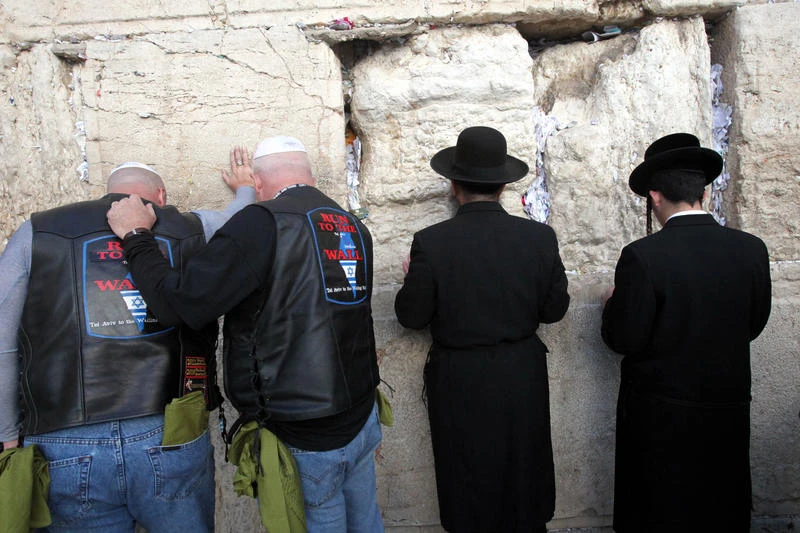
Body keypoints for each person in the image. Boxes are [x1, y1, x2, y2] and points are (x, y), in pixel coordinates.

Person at [105, 135, 384, 533]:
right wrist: (243, 194)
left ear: (258, 179)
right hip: (360, 414)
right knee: (365, 519)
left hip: (303, 428)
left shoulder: (262, 221)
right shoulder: (351, 224)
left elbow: (181, 303)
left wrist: (136, 238)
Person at [0, 149, 256, 532]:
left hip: (64, 438)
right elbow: (240, 221)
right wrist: (246, 189)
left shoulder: (37, 231)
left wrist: (5, 433)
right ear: (161, 196)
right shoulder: (191, 227)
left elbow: (4, 340)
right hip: (167, 429)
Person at [394, 126, 570, 533]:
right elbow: (555, 310)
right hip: (521, 373)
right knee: (523, 469)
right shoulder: (539, 238)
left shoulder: (432, 242)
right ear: (504, 187)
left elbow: (412, 317)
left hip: (460, 377)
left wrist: (411, 281)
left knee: (466, 474)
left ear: (454, 185)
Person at [601, 133, 772, 532]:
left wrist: (612, 305)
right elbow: (755, 322)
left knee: (661, 513)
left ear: (655, 196)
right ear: (703, 192)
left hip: (661, 419)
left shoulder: (643, 256)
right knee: (720, 509)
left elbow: (623, 338)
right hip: (726, 410)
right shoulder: (751, 249)